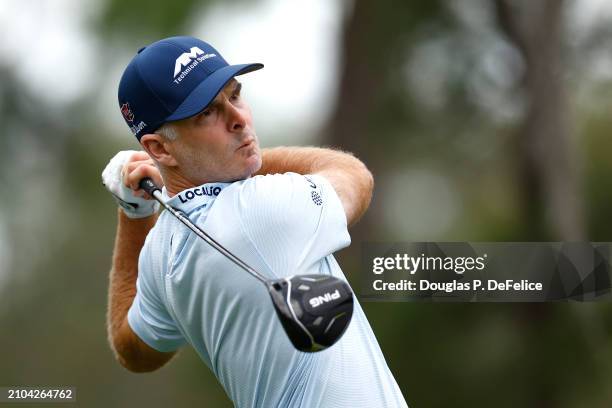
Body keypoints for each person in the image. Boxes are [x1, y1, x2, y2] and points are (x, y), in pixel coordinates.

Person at [102, 36, 408, 407]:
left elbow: (132, 350)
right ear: (160, 149)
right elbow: (354, 177)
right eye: (207, 113)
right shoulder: (260, 211)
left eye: (235, 95)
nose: (239, 118)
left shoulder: (158, 255)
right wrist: (255, 158)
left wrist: (133, 211)